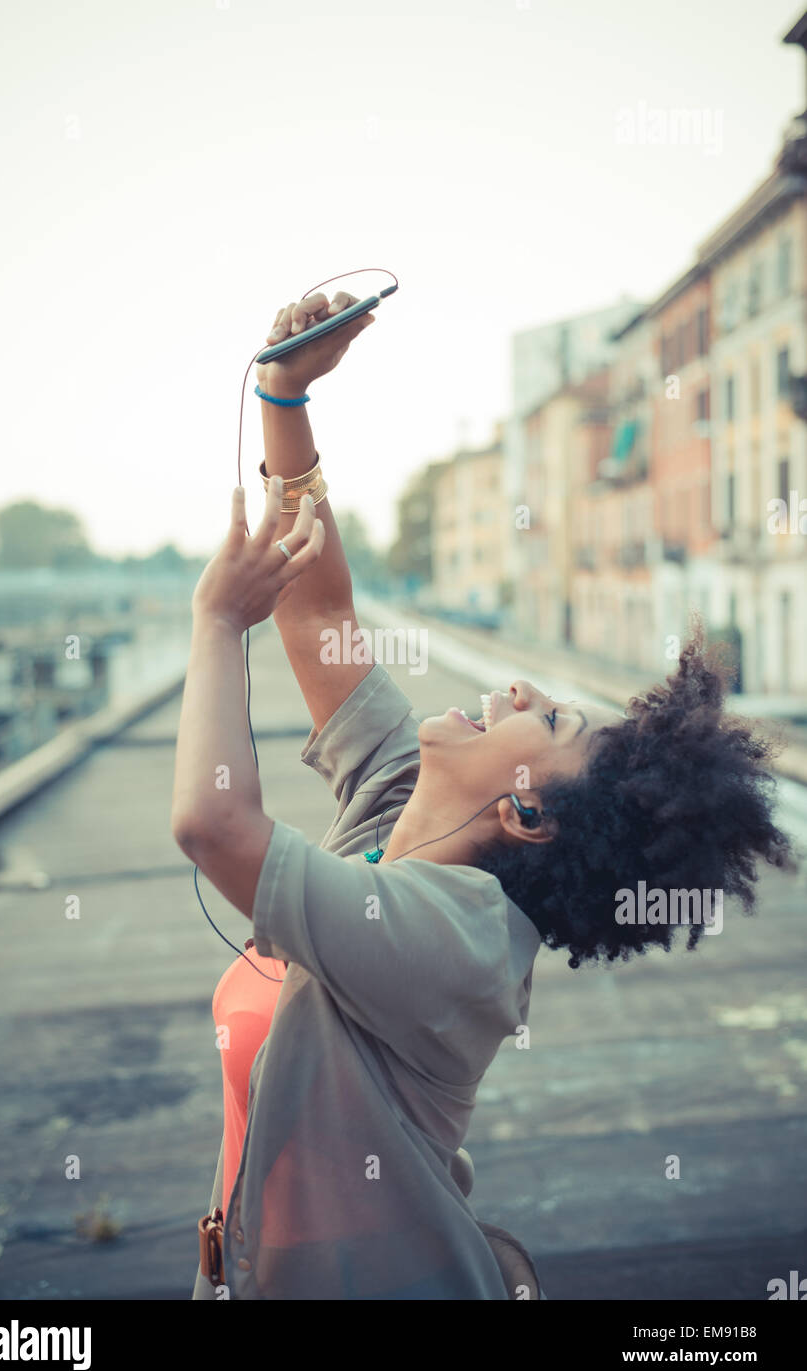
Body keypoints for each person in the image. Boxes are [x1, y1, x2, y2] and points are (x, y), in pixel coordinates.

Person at [174, 292, 795, 1300]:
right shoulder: (400, 811)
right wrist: (282, 397)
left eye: (545, 720)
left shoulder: (447, 938)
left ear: (525, 812)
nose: (511, 691)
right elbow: (322, 611)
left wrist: (212, 624)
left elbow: (212, 822)